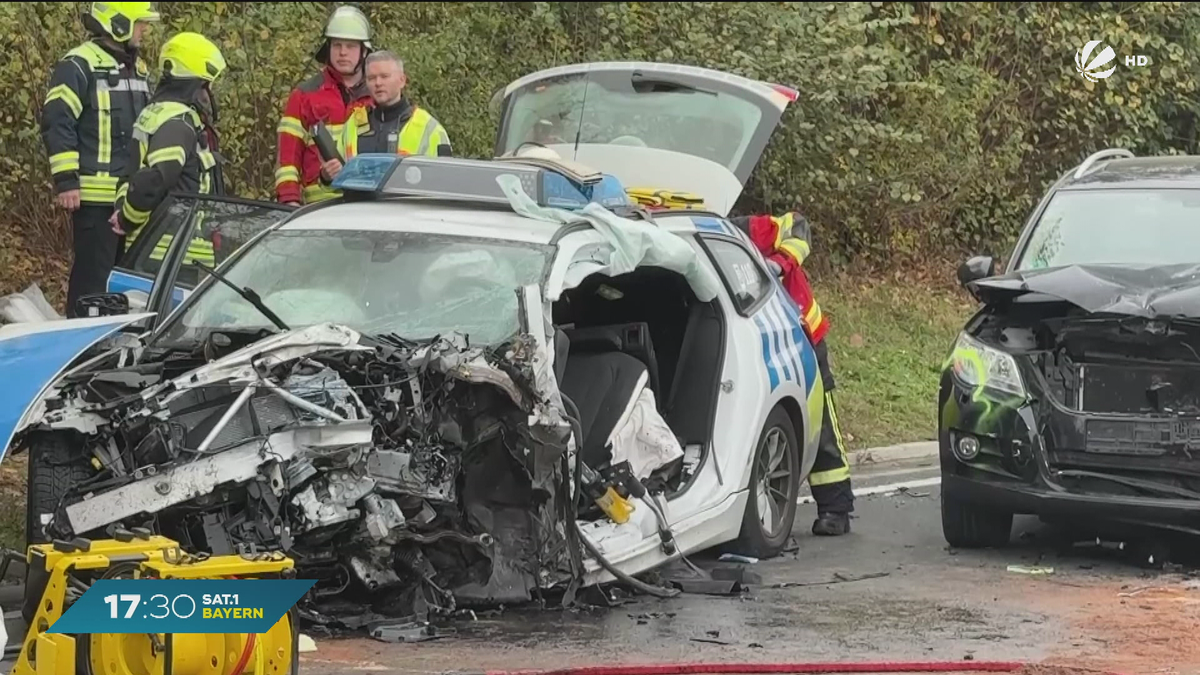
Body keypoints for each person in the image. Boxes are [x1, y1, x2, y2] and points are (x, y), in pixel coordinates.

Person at [729, 211, 855, 536]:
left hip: (804, 337)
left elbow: (798, 225)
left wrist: (780, 262)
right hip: (763, 343)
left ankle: (836, 508)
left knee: (822, 425)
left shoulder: (747, 230)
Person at [40, 2, 160, 317]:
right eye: (140, 23)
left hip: (130, 202)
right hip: (94, 202)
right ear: (118, 23)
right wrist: (67, 181)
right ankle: (77, 345)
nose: (144, 29)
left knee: (124, 289)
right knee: (91, 285)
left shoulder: (140, 68)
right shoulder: (77, 65)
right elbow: (57, 120)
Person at [110, 31, 227, 271]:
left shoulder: (158, 113)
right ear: (196, 84)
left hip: (157, 254)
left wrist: (125, 213)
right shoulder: (178, 123)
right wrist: (127, 219)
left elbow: (129, 176)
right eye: (208, 85)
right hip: (174, 260)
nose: (210, 95)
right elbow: (153, 180)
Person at [274, 5, 375, 206]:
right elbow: (287, 157)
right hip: (317, 211)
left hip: (368, 207)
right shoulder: (304, 95)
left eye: (351, 46)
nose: (343, 53)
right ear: (327, 48)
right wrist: (289, 201)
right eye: (337, 45)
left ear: (364, 51)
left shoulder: (377, 95)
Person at [321, 50, 451, 183]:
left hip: (404, 203)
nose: (378, 83)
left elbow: (444, 182)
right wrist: (327, 176)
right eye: (371, 78)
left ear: (402, 80)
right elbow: (340, 175)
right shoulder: (354, 122)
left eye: (384, 76)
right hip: (359, 203)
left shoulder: (428, 127)